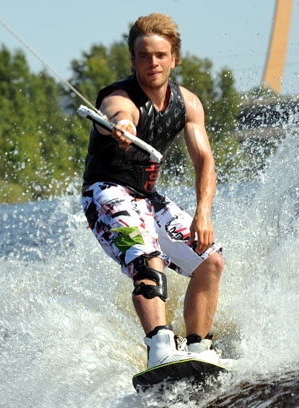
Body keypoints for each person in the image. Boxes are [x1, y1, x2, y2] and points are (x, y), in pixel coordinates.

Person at [80, 13, 225, 369]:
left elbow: (204, 160)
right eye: (143, 56)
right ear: (133, 61)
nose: (152, 63)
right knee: (148, 259)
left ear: (174, 58)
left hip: (146, 197)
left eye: (160, 55)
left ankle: (198, 349)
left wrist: (203, 213)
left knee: (211, 261)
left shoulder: (188, 104)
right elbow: (118, 111)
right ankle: (160, 346)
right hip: (106, 192)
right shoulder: (120, 96)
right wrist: (123, 124)